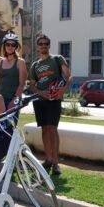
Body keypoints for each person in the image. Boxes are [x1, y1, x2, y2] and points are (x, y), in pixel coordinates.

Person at [30, 34, 72, 175]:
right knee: (44, 130)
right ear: (37, 47)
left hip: (54, 100)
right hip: (40, 101)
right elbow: (33, 85)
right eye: (41, 43)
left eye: (46, 43)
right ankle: (48, 159)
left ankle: (55, 163)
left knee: (53, 130)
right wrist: (40, 93)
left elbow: (68, 76)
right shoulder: (35, 65)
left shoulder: (57, 59)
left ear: (49, 45)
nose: (43, 46)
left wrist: (62, 91)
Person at [0, 32, 27, 115]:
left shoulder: (20, 62)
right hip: (0, 99)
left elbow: (22, 84)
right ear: (4, 46)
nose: (10, 47)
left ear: (16, 46)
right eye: (7, 44)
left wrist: (14, 99)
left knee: (11, 125)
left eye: (13, 45)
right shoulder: (0, 62)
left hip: (13, 98)